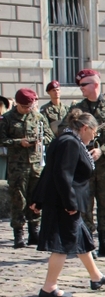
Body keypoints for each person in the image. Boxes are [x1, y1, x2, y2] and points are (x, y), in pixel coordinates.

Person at [30, 109, 105, 297]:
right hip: (63, 203)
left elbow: (50, 171)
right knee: (61, 245)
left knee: (82, 239)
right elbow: (62, 175)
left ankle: (96, 276)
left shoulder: (65, 139)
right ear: (85, 128)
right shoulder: (70, 143)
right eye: (94, 132)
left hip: (63, 200)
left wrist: (38, 198)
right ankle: (49, 287)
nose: (94, 136)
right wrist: (69, 203)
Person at [68, 69, 105, 258]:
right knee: (85, 203)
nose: (81, 88)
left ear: (94, 84)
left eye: (83, 85)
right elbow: (66, 131)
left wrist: (103, 149)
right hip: (84, 163)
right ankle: (87, 243)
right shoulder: (77, 108)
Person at [0, 89, 53, 248]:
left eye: (29, 106)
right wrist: (18, 142)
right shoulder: (7, 118)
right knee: (18, 199)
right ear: (17, 104)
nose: (27, 109)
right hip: (17, 166)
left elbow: (50, 136)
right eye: (24, 106)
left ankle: (34, 232)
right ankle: (18, 234)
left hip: (36, 165)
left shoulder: (38, 117)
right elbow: (2, 139)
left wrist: (40, 140)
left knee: (35, 199)